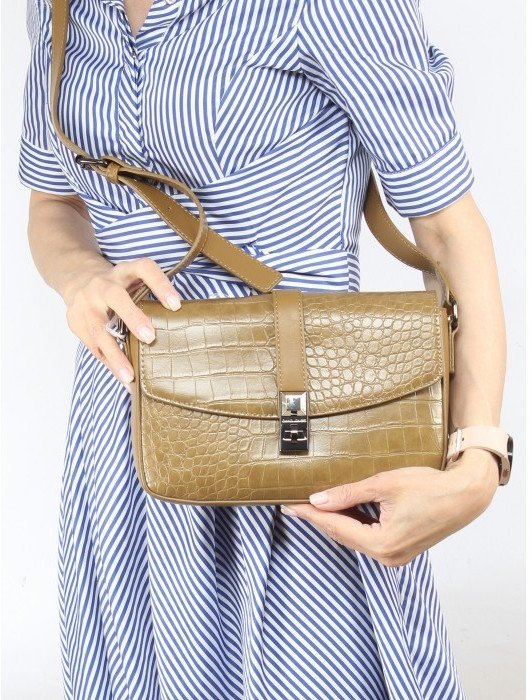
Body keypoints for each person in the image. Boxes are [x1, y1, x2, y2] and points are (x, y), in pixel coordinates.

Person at [19, 0, 507, 698]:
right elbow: (55, 204)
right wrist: (80, 278)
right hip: (126, 431)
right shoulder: (60, 8)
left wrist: (479, 460)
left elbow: (448, 229)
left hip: (299, 422)